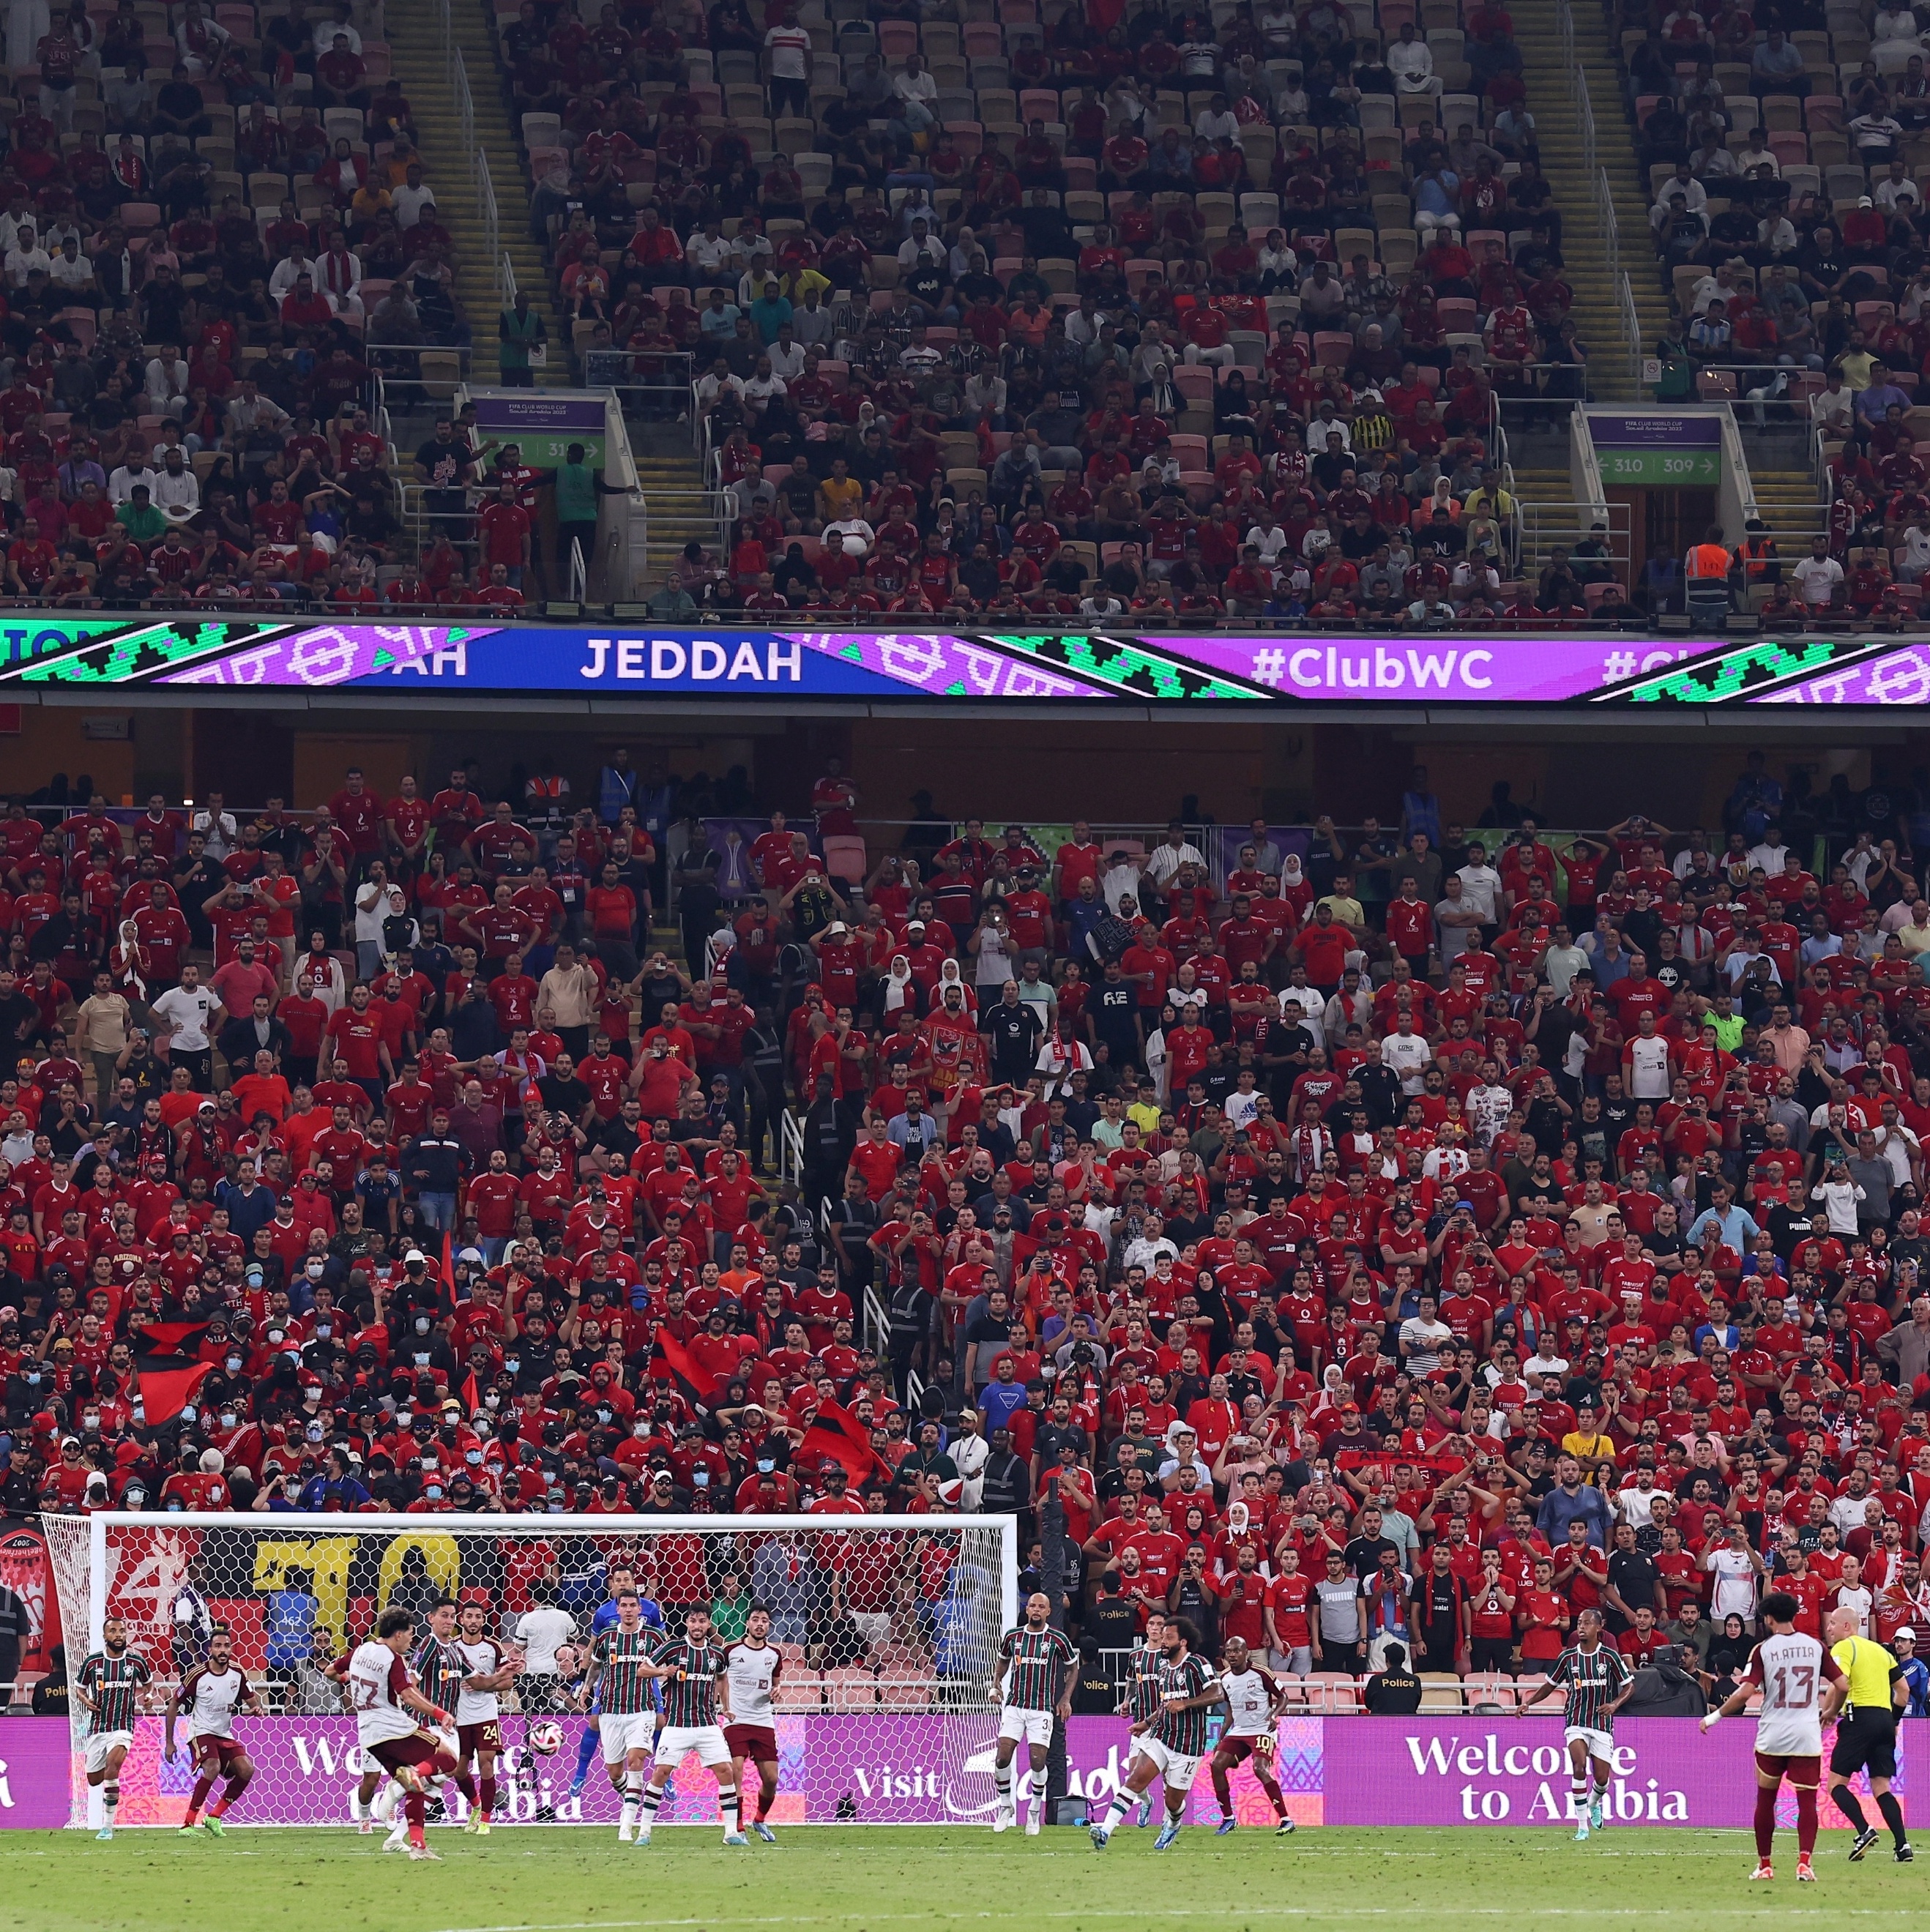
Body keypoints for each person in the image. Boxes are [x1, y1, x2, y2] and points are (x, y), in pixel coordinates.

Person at [1700, 1590, 1845, 1882]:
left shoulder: (1763, 1650)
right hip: (1806, 1733)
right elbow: (1842, 1684)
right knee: (1807, 1801)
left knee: (1766, 1799)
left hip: (1773, 1733)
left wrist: (1714, 1716)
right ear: (1793, 1615)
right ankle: (1804, 1863)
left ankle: (1765, 1865)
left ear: (1768, 1618)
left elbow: (1744, 1693)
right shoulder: (1815, 1646)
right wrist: (1831, 1711)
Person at [1089, 1614, 1221, 1850]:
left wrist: (1186, 1703)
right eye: (1163, 1638)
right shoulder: (1163, 1669)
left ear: (1183, 1642)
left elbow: (1217, 1693)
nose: (1163, 1642)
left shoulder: (1196, 1664)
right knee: (1136, 1778)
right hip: (1162, 1736)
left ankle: (1172, 1823)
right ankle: (1105, 1830)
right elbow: (1164, 1705)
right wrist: (1147, 1723)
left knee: (1173, 1801)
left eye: (1169, 1638)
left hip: (1189, 1745)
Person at [340, 1608, 458, 1861]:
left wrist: (345, 1677)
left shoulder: (360, 1650)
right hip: (394, 1727)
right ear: (398, 1635)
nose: (411, 1640)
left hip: (369, 1734)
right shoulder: (392, 1659)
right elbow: (407, 1695)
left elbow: (331, 1670)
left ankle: (416, 1845)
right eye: (410, 1635)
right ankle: (404, 1780)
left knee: (416, 1786)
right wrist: (440, 1714)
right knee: (448, 1760)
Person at [1518, 1605, 1636, 1841]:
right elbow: (1550, 1684)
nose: (1581, 1627)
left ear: (1599, 1628)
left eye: (1587, 1623)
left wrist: (1614, 1704)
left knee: (1602, 1780)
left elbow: (1629, 1686)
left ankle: (1593, 1804)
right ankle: (1582, 1827)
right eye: (1580, 1623)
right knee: (1579, 1766)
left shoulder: (1610, 1657)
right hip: (1576, 1720)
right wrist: (1528, 1703)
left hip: (1602, 1723)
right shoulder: (1568, 1657)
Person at [633, 1607, 745, 1847]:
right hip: (676, 1725)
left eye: (702, 1621)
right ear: (687, 1622)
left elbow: (722, 1678)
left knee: (726, 1772)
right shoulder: (673, 1648)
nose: (697, 1626)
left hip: (707, 1724)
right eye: (693, 1621)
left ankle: (730, 1834)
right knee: (661, 1774)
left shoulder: (716, 1653)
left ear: (708, 1625)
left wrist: (725, 1706)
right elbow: (642, 1669)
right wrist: (663, 1670)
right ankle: (644, 1833)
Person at [1825, 1607, 1913, 1862]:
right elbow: (1903, 1691)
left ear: (1846, 1626)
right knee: (1881, 1787)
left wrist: (1828, 1712)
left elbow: (1839, 1683)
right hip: (1885, 1720)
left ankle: (1864, 1831)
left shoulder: (1843, 1647)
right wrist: (1893, 1721)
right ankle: (1903, 1846)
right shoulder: (1880, 1651)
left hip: (1859, 1718)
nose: (1829, 1628)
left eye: (1832, 1623)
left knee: (1836, 1783)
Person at [991, 1589, 1078, 1835]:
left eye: (1041, 1607)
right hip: (1015, 1706)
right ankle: (1005, 1806)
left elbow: (1073, 1668)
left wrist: (1066, 1698)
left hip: (1042, 1710)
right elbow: (1003, 1660)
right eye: (1032, 1606)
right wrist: (996, 1683)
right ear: (1027, 1609)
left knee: (1038, 1761)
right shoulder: (1013, 1636)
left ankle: (1034, 1811)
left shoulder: (1058, 1639)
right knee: (1002, 1757)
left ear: (1049, 1611)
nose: (1036, 1610)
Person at [165, 1622, 264, 1836]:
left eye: (226, 1646)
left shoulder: (238, 1673)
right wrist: (170, 1742)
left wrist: (256, 1708)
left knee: (247, 1770)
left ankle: (214, 1816)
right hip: (201, 1731)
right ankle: (188, 1824)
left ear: (231, 1649)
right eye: (218, 1646)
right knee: (213, 1766)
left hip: (223, 1733)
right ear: (210, 1650)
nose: (222, 1650)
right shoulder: (198, 1674)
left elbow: (251, 1700)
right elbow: (173, 1703)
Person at [75, 1617, 152, 1840]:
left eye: (122, 1631)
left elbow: (148, 1682)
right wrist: (85, 1700)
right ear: (105, 1636)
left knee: (112, 1767)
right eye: (113, 1631)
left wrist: (147, 1696)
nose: (118, 1635)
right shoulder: (93, 1663)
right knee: (94, 1779)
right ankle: (107, 1819)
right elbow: (80, 1688)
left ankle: (107, 1826)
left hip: (122, 1726)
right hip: (98, 1727)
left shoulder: (136, 1662)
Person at [1208, 1636, 1294, 1832]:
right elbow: (1230, 1709)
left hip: (1262, 1729)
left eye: (1237, 1651)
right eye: (1229, 1651)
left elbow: (1283, 1697)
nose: (1233, 1655)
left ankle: (1286, 1819)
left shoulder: (1260, 1672)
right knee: (1216, 1765)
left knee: (1260, 1769)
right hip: (1239, 1731)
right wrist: (1221, 1737)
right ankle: (1228, 1818)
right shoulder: (1225, 1678)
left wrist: (1275, 1715)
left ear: (1246, 1653)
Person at [451, 1597, 518, 1835]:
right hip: (459, 1716)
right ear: (461, 1620)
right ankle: (477, 1806)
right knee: (458, 1771)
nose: (473, 1621)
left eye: (478, 1617)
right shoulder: (451, 1648)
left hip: (487, 1715)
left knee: (486, 1763)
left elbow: (508, 1681)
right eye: (469, 1616)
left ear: (483, 1620)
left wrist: (483, 1686)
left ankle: (486, 1821)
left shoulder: (493, 1648)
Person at [724, 1604, 784, 1842]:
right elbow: (720, 1680)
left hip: (762, 1721)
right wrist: (724, 1705)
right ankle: (737, 1827)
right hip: (736, 1720)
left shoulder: (774, 1654)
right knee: (735, 1771)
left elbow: (776, 1685)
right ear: (747, 1623)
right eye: (756, 1620)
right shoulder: (730, 1650)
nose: (760, 1624)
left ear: (769, 1626)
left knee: (771, 1779)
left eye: (765, 1621)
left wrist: (777, 1693)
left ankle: (759, 1820)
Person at [1362, 1640, 1425, 1714]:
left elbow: (1368, 1703)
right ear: (1403, 1660)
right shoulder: (1415, 1680)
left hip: (1380, 1723)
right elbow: (1415, 1704)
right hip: (1407, 1723)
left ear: (1386, 1660)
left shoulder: (1376, 1680)